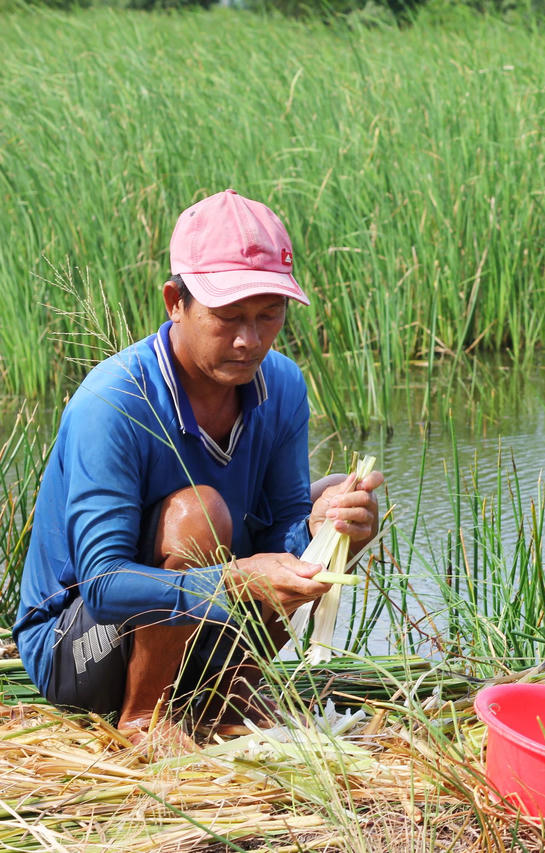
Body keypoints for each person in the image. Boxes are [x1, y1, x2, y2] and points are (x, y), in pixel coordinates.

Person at [13, 189, 385, 748]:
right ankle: (144, 721)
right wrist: (236, 580)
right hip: (81, 650)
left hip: (198, 621)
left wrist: (318, 530)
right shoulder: (113, 403)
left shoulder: (281, 385)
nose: (249, 340)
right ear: (174, 302)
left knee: (336, 504)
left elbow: (279, 526)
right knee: (198, 513)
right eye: (228, 317)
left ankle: (229, 692)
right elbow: (103, 587)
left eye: (269, 315)